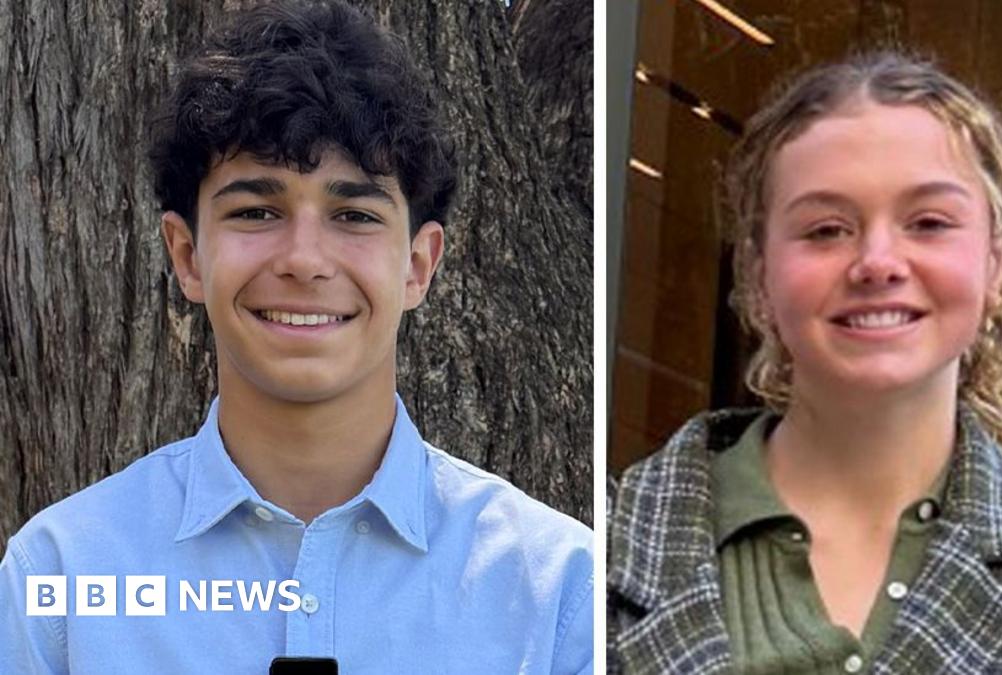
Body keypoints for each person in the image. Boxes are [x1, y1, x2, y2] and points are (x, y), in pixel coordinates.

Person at [0, 2, 593, 673]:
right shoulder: (58, 583)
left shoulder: (557, 594)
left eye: (353, 213)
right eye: (257, 210)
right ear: (188, 255)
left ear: (418, 265)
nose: (305, 259)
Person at [607, 52, 1002, 673]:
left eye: (929, 222)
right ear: (758, 273)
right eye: (827, 229)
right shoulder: (608, 542)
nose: (877, 261)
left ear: (999, 261)